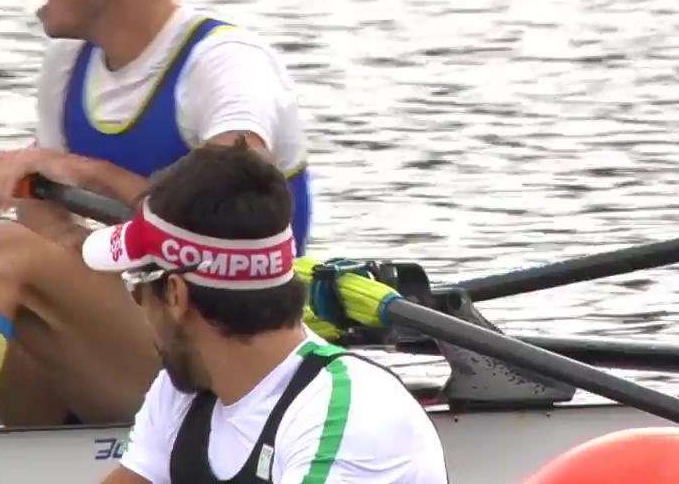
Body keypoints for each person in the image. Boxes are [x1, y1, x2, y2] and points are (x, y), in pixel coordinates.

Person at [0, 0, 314, 429]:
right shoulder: (68, 65)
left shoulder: (223, 65)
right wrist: (54, 224)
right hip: (135, 346)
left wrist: (84, 172)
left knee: (2, 249)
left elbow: (231, 220)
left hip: (227, 361)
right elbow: (49, 231)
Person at [84, 139, 448, 484]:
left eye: (136, 286)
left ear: (176, 294)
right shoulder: (182, 390)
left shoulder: (350, 416)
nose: (138, 305)